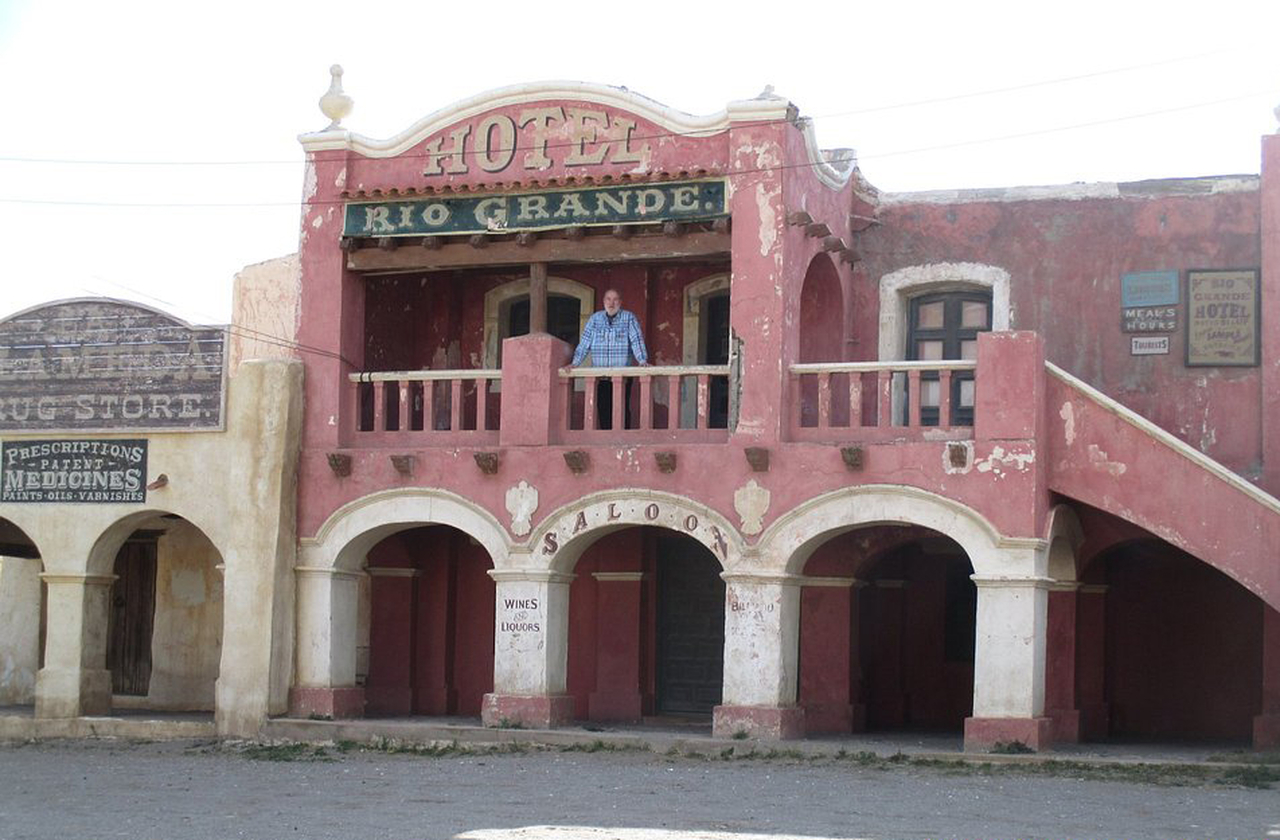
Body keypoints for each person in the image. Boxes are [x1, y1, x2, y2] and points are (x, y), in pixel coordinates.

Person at [567, 288, 649, 429]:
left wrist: (642, 361)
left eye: (615, 299)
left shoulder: (629, 318)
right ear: (603, 301)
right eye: (608, 299)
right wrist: (574, 363)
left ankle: (623, 441)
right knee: (603, 410)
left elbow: (636, 341)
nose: (611, 303)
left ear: (620, 302)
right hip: (601, 376)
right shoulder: (595, 319)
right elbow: (585, 343)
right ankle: (606, 440)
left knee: (622, 409)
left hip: (622, 376)